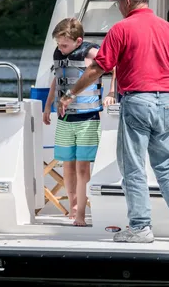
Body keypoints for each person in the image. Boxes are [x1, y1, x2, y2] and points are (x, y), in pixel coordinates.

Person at [58, 0, 169, 244]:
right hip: (167, 101)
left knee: (133, 167)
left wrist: (69, 94)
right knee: (167, 164)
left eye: (117, 2)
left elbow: (98, 69)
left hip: (138, 101)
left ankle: (141, 227)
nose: (117, 7)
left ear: (127, 1)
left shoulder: (121, 29)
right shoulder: (167, 27)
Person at [43, 18, 104, 226]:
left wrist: (112, 92)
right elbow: (57, 80)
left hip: (87, 118)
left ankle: (81, 214)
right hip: (65, 119)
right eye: (59, 44)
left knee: (82, 168)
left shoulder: (91, 54)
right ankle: (73, 205)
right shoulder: (60, 55)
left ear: (78, 41)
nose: (61, 48)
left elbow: (113, 66)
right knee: (67, 166)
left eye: (65, 45)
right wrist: (47, 105)